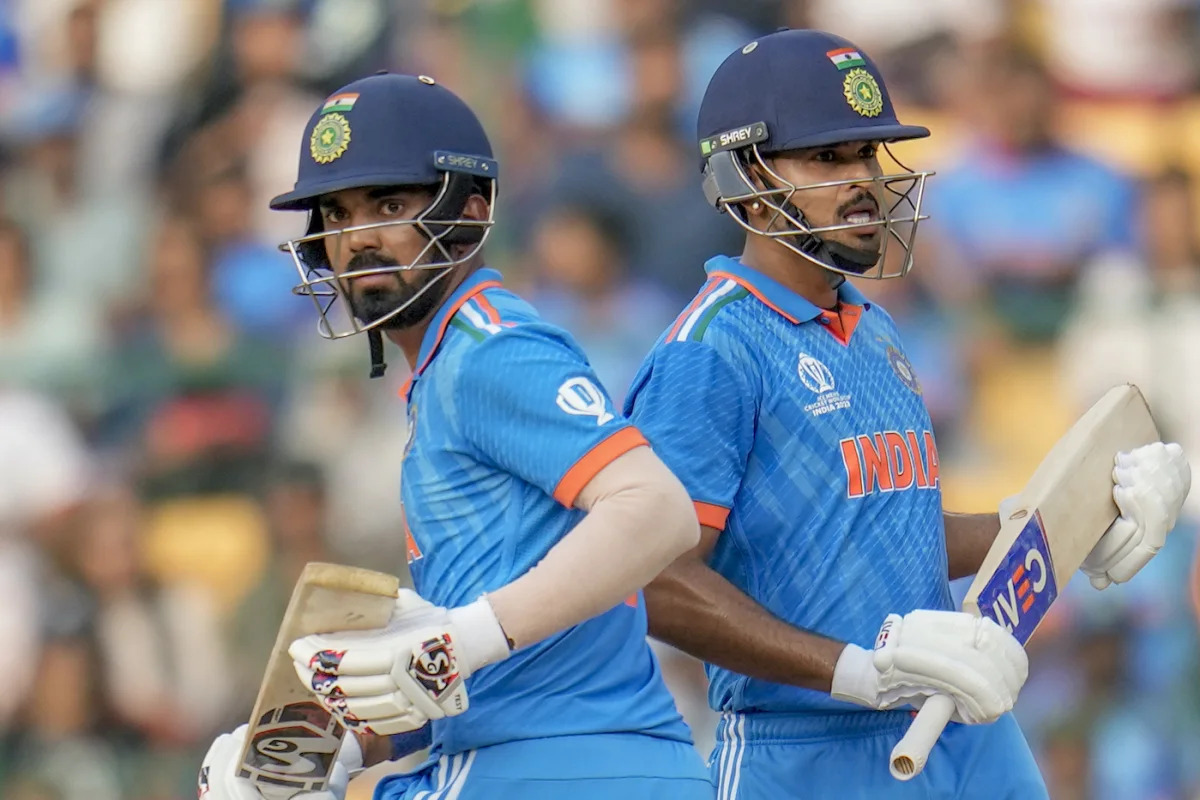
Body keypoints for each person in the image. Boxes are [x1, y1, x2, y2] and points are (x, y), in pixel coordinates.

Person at [623, 28, 1192, 799]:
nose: (863, 179)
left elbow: (896, 530)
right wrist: (858, 672)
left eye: (866, 153)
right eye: (828, 158)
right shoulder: (711, 350)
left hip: (962, 725)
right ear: (747, 177)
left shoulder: (876, 327)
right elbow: (655, 581)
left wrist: (1061, 524)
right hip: (807, 748)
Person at [197, 73, 713, 800]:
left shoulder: (488, 351)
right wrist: (340, 743)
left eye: (389, 204)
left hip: (545, 766)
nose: (358, 238)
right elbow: (509, 653)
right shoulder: (450, 365)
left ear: (468, 212)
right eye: (337, 214)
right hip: (603, 759)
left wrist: (458, 642)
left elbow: (658, 510)